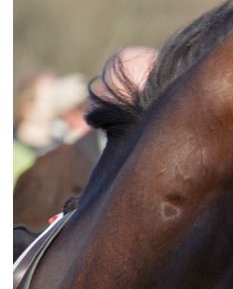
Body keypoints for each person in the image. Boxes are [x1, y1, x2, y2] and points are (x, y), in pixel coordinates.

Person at [13, 46, 159, 233]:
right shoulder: (45, 175)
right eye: (135, 98)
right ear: (100, 98)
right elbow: (20, 254)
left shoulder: (168, 174)